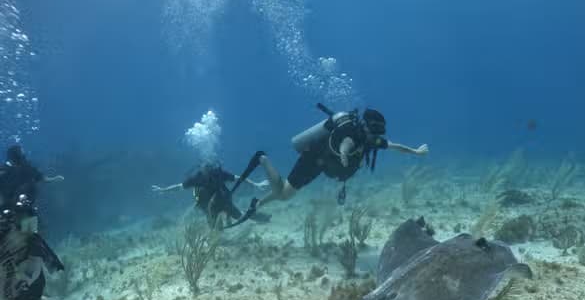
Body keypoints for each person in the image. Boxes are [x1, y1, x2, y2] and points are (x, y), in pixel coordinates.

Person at [234, 104, 428, 222]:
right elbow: (346, 144)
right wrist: (344, 155)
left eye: (378, 135)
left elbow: (394, 146)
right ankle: (263, 159)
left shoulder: (371, 139)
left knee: (284, 193)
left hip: (325, 165)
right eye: (374, 133)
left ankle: (257, 204)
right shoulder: (352, 134)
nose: (377, 138)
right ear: (367, 127)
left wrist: (415, 151)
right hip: (312, 160)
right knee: (284, 194)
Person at [0, 193, 66, 300]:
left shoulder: (33, 242)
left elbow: (51, 270)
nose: (31, 230)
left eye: (33, 223)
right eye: (26, 225)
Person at [152, 153, 270, 229]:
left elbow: (239, 178)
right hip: (207, 205)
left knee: (240, 217)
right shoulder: (197, 178)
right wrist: (164, 190)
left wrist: (256, 184)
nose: (207, 168)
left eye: (209, 165)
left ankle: (258, 218)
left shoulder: (219, 173)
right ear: (201, 167)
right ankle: (220, 232)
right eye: (205, 166)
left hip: (223, 200)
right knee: (215, 229)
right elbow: (180, 186)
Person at [0, 145, 65, 206]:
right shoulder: (4, 170)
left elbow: (42, 178)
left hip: (25, 206)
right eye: (22, 154)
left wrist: (54, 179)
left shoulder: (27, 168)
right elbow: (43, 178)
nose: (24, 156)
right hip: (9, 206)